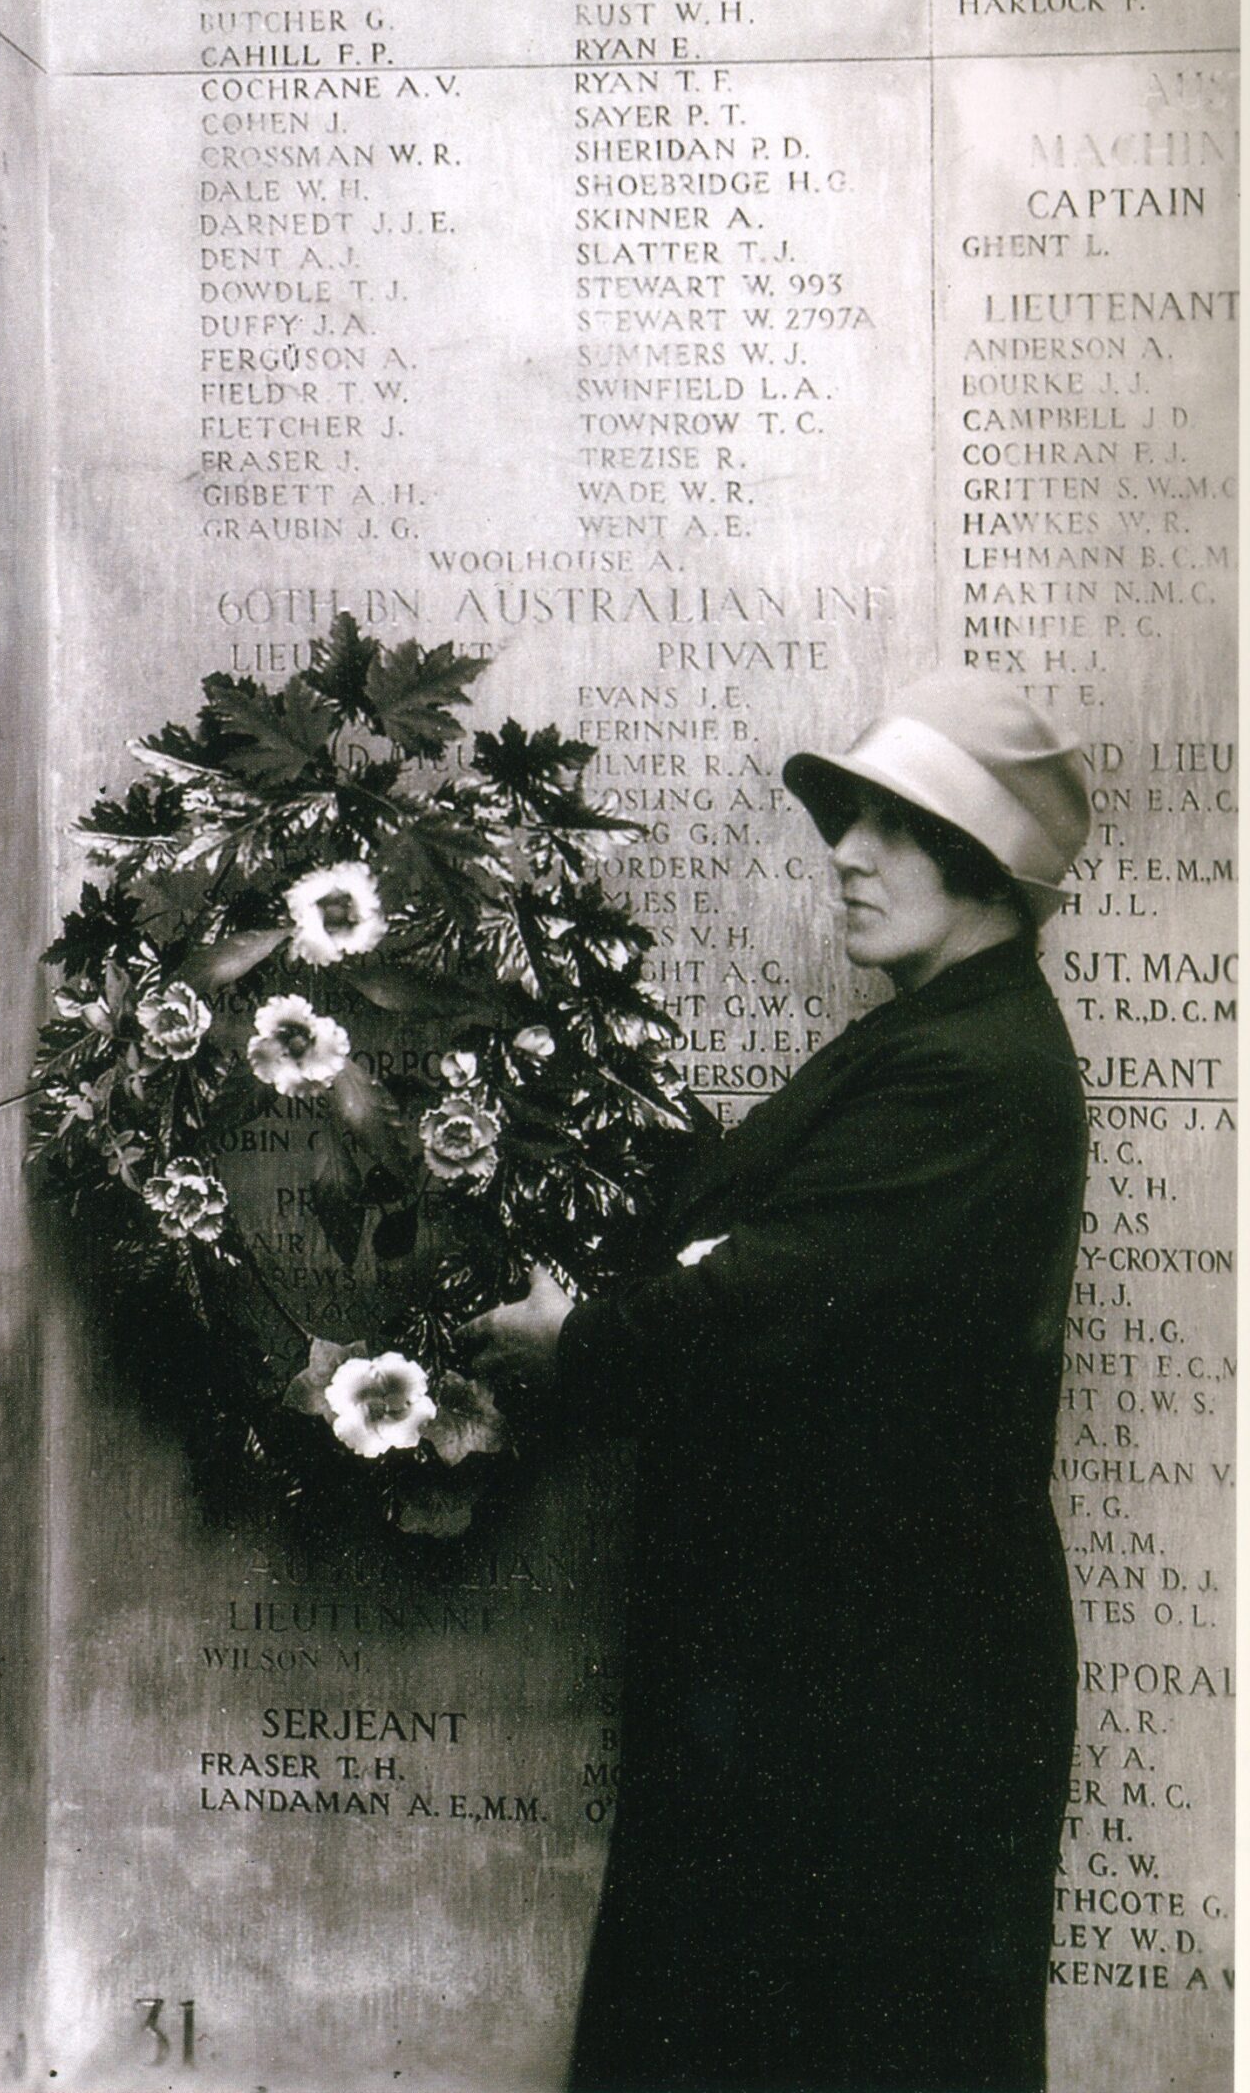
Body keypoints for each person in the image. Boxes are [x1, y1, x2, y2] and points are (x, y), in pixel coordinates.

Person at [464, 671, 1093, 2093]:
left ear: (985, 863)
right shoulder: (933, 1038)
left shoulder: (977, 1072)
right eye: (848, 821)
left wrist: (577, 1342)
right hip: (831, 1663)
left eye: (892, 827)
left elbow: (764, 1284)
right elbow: (740, 1220)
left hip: (888, 1687)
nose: (846, 855)